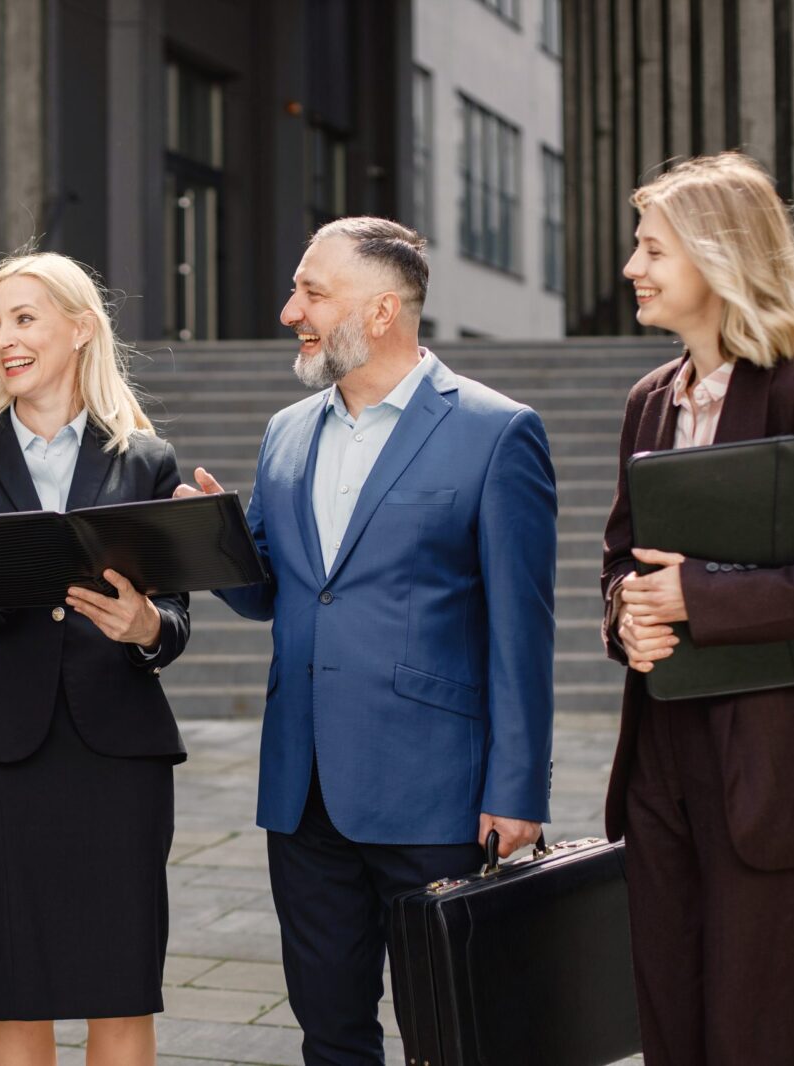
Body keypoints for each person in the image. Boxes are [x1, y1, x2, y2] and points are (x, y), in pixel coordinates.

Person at [176, 217, 557, 1065]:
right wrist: (217, 541)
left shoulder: (497, 432)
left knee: (457, 1032)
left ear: (381, 310)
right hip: (303, 795)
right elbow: (275, 594)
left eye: (312, 293)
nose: (289, 312)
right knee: (330, 1032)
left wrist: (519, 788)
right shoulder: (286, 432)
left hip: (437, 797)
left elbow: (522, 633)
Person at [603, 152, 794, 1065]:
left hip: (765, 756)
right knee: (665, 1012)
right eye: (636, 247)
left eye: (653, 248)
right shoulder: (647, 403)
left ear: (718, 256)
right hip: (660, 756)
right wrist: (628, 609)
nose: (633, 267)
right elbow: (622, 560)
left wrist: (700, 597)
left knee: (749, 1025)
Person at [0, 252, 189, 1066]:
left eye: (25, 319)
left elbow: (174, 621)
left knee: (121, 990)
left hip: (119, 757)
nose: (4, 340)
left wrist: (144, 627)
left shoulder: (145, 459)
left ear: (79, 327)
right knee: (16, 992)